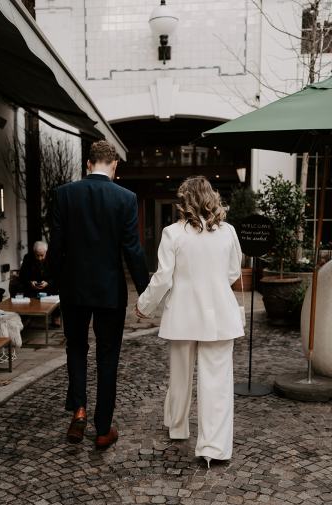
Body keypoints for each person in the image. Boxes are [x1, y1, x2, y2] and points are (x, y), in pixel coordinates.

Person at [136, 176, 244, 468]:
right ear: (212, 198)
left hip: (183, 313)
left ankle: (178, 426)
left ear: (184, 201)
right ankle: (213, 448)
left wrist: (144, 305)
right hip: (219, 314)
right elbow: (234, 272)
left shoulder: (172, 233)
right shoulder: (228, 232)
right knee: (217, 382)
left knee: (180, 373)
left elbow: (162, 278)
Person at [49, 140, 149, 450]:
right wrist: (146, 292)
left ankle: (78, 409)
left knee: (76, 349)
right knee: (108, 356)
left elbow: (56, 246)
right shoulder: (126, 198)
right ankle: (103, 428)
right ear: (115, 165)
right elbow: (132, 249)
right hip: (109, 290)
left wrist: (52, 283)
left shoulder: (64, 195)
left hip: (74, 288)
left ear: (88, 164)